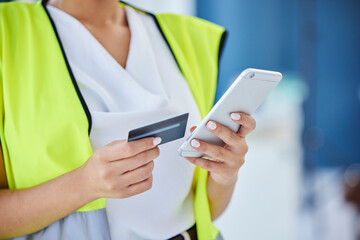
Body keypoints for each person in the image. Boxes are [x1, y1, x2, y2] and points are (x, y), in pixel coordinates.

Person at [0, 0, 256, 239]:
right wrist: (84, 185)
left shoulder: (186, 36)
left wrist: (224, 175)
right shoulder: (7, 33)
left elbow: (202, 211)